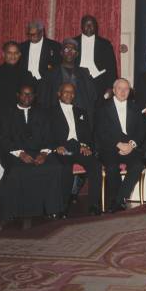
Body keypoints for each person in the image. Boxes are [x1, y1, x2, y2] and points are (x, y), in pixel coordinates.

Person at [0, 84, 64, 222]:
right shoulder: (7, 113)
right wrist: (21, 154)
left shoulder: (42, 113)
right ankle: (14, 211)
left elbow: (49, 137)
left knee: (55, 167)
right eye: (24, 94)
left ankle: (51, 209)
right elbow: (4, 138)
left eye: (30, 94)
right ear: (18, 95)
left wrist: (44, 154)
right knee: (16, 170)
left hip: (39, 152)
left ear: (34, 96)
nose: (27, 97)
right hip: (14, 153)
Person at [0, 41, 33, 210]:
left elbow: (29, 100)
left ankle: (12, 196)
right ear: (3, 54)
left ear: (20, 55)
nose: (12, 56)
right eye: (9, 53)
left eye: (16, 53)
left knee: (14, 160)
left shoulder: (26, 74)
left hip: (16, 123)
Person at [50, 83, 103, 216]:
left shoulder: (81, 111)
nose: (69, 94)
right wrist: (56, 146)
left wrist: (85, 145)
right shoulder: (50, 112)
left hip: (78, 147)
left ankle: (93, 206)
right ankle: (62, 208)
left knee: (95, 165)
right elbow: (46, 134)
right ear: (59, 94)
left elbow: (87, 133)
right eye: (66, 92)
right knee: (66, 168)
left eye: (72, 92)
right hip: (62, 148)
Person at [95, 79, 146, 212]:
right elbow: (101, 132)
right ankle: (118, 200)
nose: (123, 92)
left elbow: (141, 130)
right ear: (114, 90)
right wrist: (118, 145)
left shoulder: (135, 107)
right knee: (112, 167)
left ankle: (118, 200)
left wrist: (131, 145)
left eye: (126, 89)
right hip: (110, 146)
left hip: (131, 146)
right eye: (120, 88)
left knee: (138, 165)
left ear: (130, 91)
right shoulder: (103, 108)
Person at [39, 39, 97, 126]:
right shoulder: (50, 74)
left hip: (79, 118)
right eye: (66, 50)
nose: (69, 52)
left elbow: (92, 96)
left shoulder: (84, 73)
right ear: (61, 52)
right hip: (56, 119)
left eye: (72, 50)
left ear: (76, 54)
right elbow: (44, 99)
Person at [74, 14, 117, 98]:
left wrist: (111, 87)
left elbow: (111, 67)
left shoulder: (105, 44)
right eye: (86, 24)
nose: (89, 27)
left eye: (92, 24)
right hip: (78, 82)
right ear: (81, 26)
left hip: (98, 82)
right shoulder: (73, 43)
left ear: (96, 26)